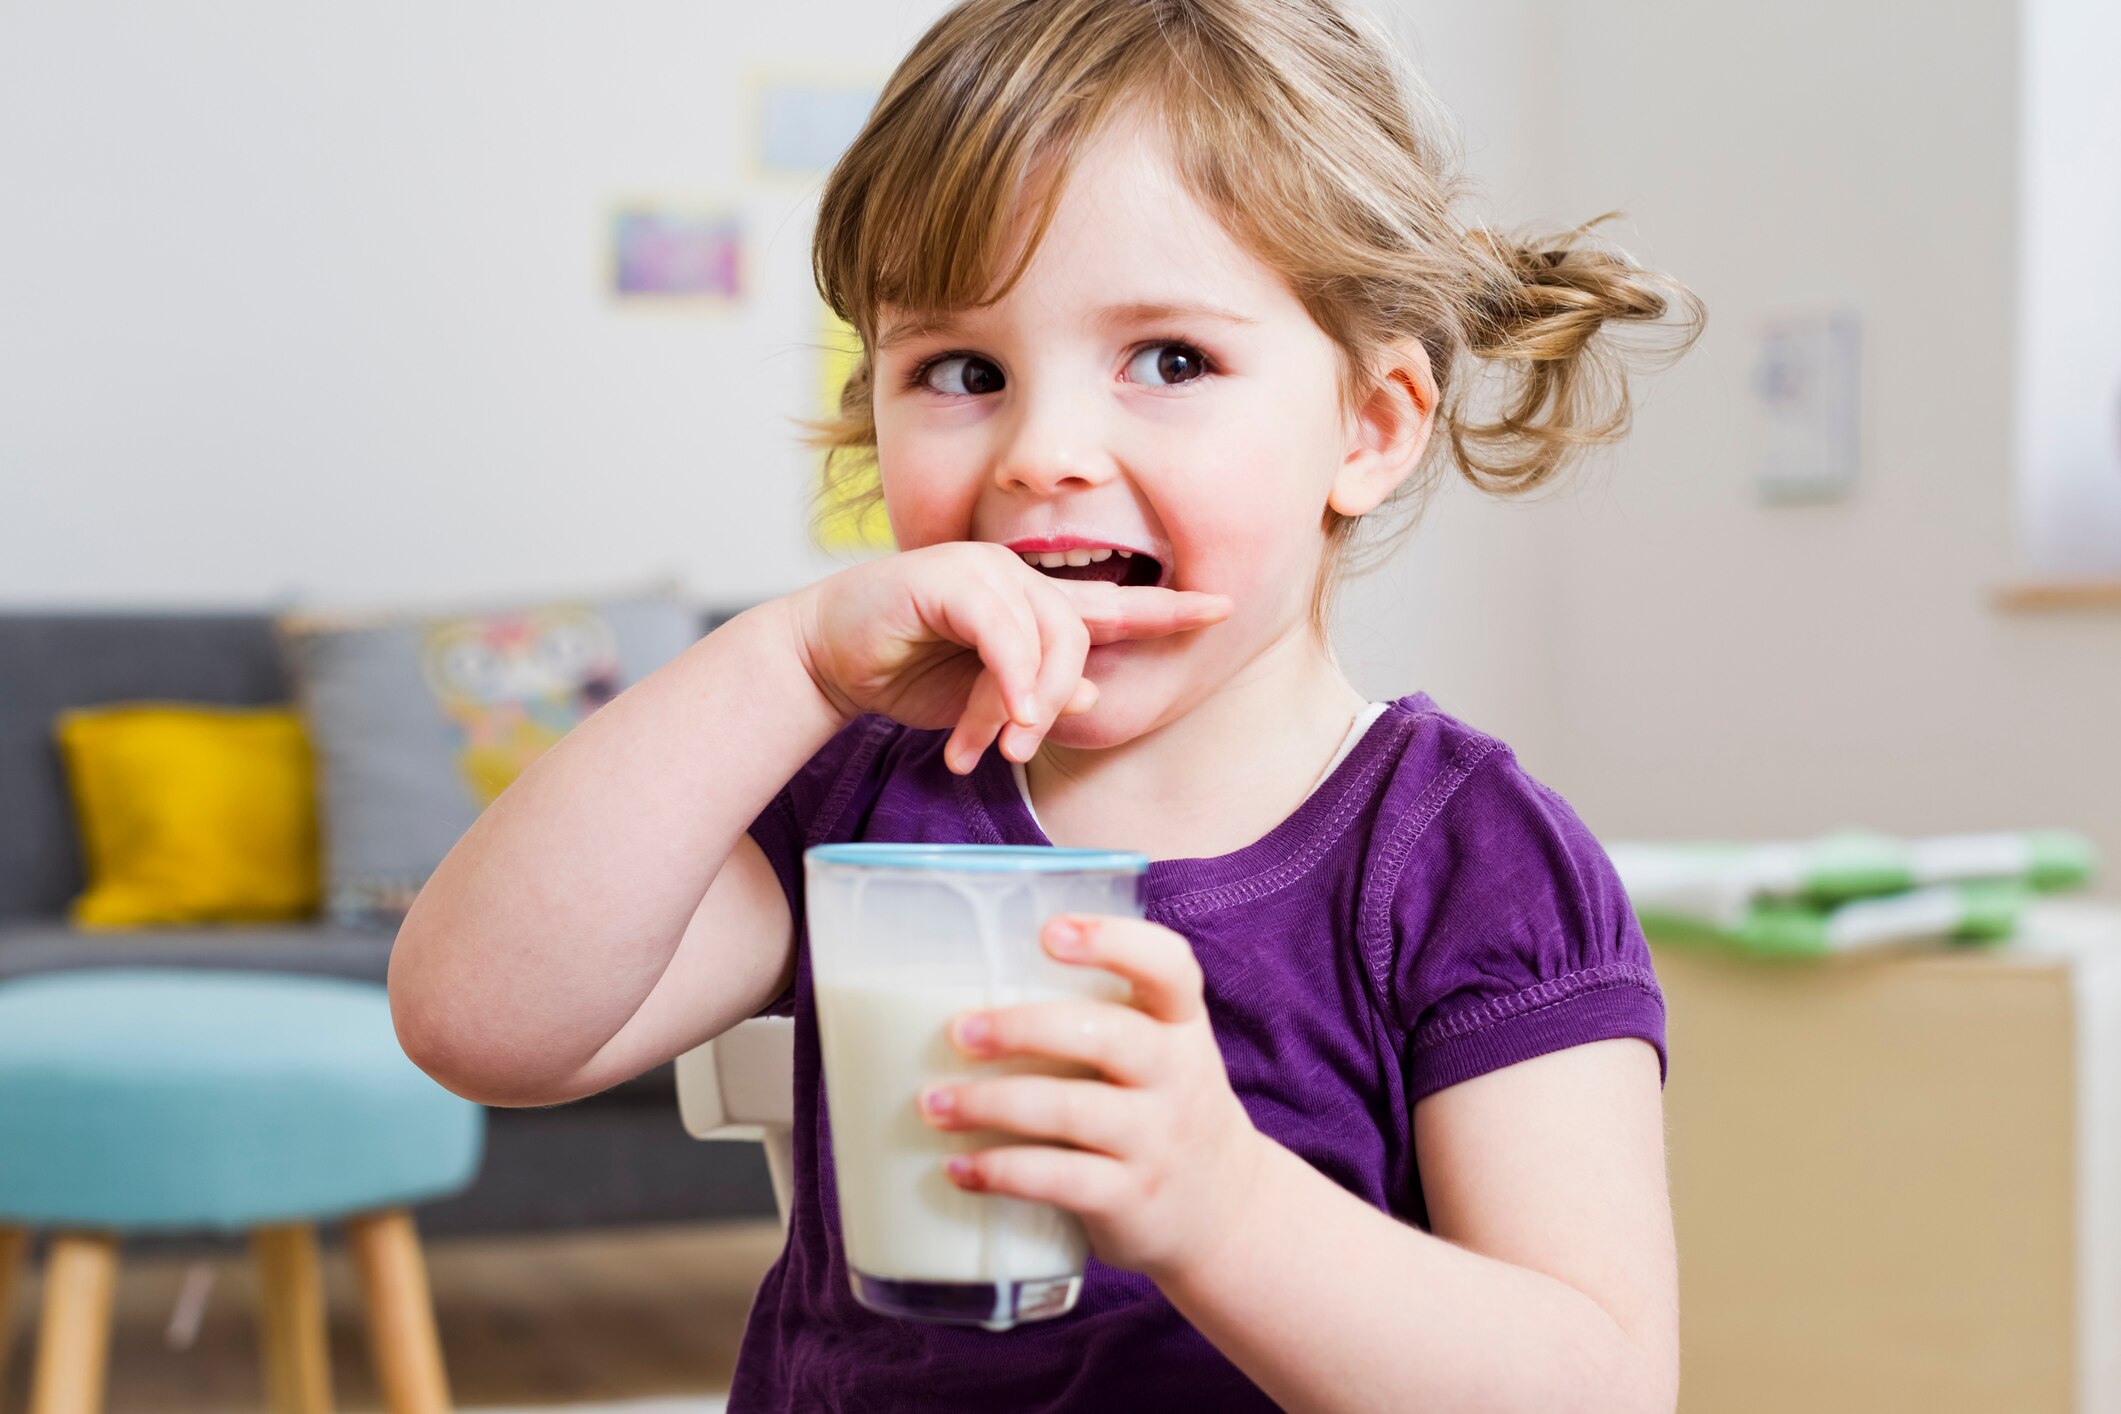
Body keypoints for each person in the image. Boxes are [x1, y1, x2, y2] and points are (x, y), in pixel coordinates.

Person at [390, 1, 1701, 1408]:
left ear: (1368, 426)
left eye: (1170, 359)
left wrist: (1220, 1207)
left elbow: (1595, 1386)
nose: (1043, 452)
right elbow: (480, 1023)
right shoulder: (867, 789)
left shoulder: (1468, 862)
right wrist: (789, 668)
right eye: (961, 371)